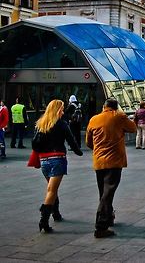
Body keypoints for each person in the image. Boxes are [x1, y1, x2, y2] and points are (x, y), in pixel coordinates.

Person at [86, 98, 137, 238]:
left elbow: (88, 142)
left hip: (98, 161)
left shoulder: (93, 119)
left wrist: (98, 150)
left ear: (104, 106)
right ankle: (101, 226)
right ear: (115, 108)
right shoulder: (119, 116)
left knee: (103, 191)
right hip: (114, 162)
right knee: (108, 192)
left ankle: (108, 217)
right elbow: (133, 128)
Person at [32, 99, 83, 233]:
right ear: (58, 110)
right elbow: (71, 141)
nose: (63, 110)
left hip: (44, 160)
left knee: (52, 188)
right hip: (57, 159)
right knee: (52, 190)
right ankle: (44, 220)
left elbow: (35, 143)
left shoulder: (41, 124)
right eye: (62, 108)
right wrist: (79, 152)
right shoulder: (62, 124)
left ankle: (56, 213)